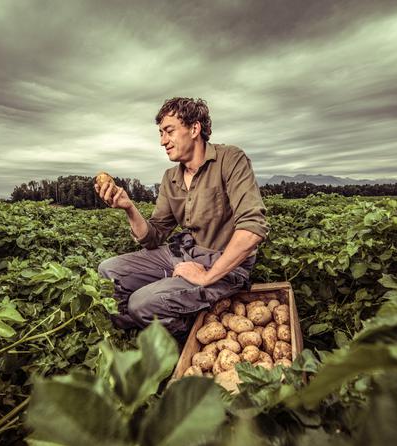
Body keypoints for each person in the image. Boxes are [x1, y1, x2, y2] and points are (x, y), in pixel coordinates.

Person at [95, 97, 268, 338]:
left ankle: (188, 334)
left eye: (169, 131)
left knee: (142, 303)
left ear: (194, 129)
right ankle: (142, 331)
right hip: (183, 254)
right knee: (109, 271)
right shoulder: (170, 177)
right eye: (160, 133)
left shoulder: (230, 159)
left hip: (224, 263)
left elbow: (253, 228)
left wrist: (206, 276)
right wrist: (129, 208)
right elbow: (153, 237)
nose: (162, 141)